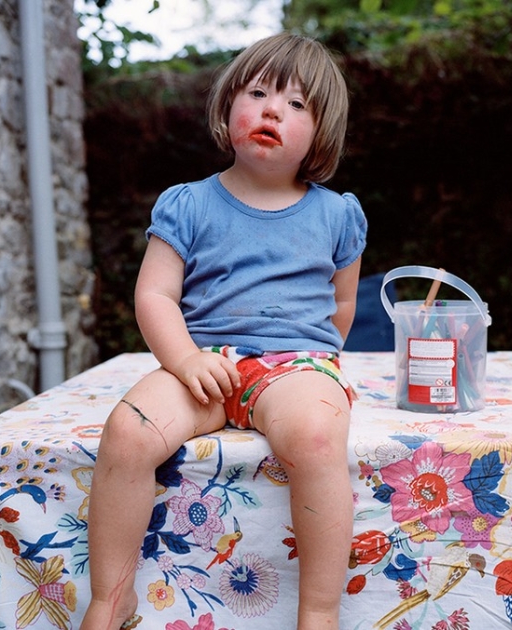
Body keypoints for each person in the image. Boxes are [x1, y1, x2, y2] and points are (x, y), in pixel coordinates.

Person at [80, 32, 367, 630]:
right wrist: (185, 360)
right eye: (258, 93)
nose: (272, 111)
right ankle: (111, 597)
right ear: (228, 105)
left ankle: (319, 612)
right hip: (201, 363)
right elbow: (155, 295)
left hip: (294, 365)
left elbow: (342, 304)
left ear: (321, 132)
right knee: (127, 433)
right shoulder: (188, 204)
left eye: (296, 104)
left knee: (316, 438)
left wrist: (318, 366)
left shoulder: (337, 213)